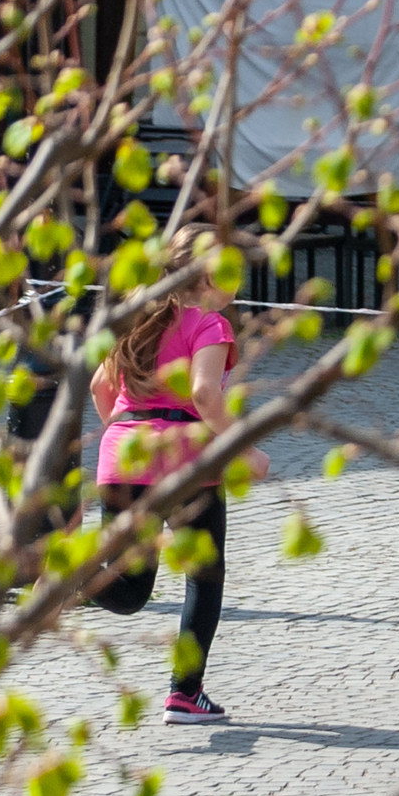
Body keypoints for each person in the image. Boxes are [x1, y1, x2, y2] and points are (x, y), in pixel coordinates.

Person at [81, 235, 245, 722]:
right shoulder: (210, 325)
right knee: (204, 576)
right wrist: (245, 448)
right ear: (210, 277)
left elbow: (98, 387)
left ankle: (74, 576)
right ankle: (184, 693)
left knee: (129, 592)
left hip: (124, 455)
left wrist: (126, 426)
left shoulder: (140, 321)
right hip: (185, 461)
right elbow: (204, 394)